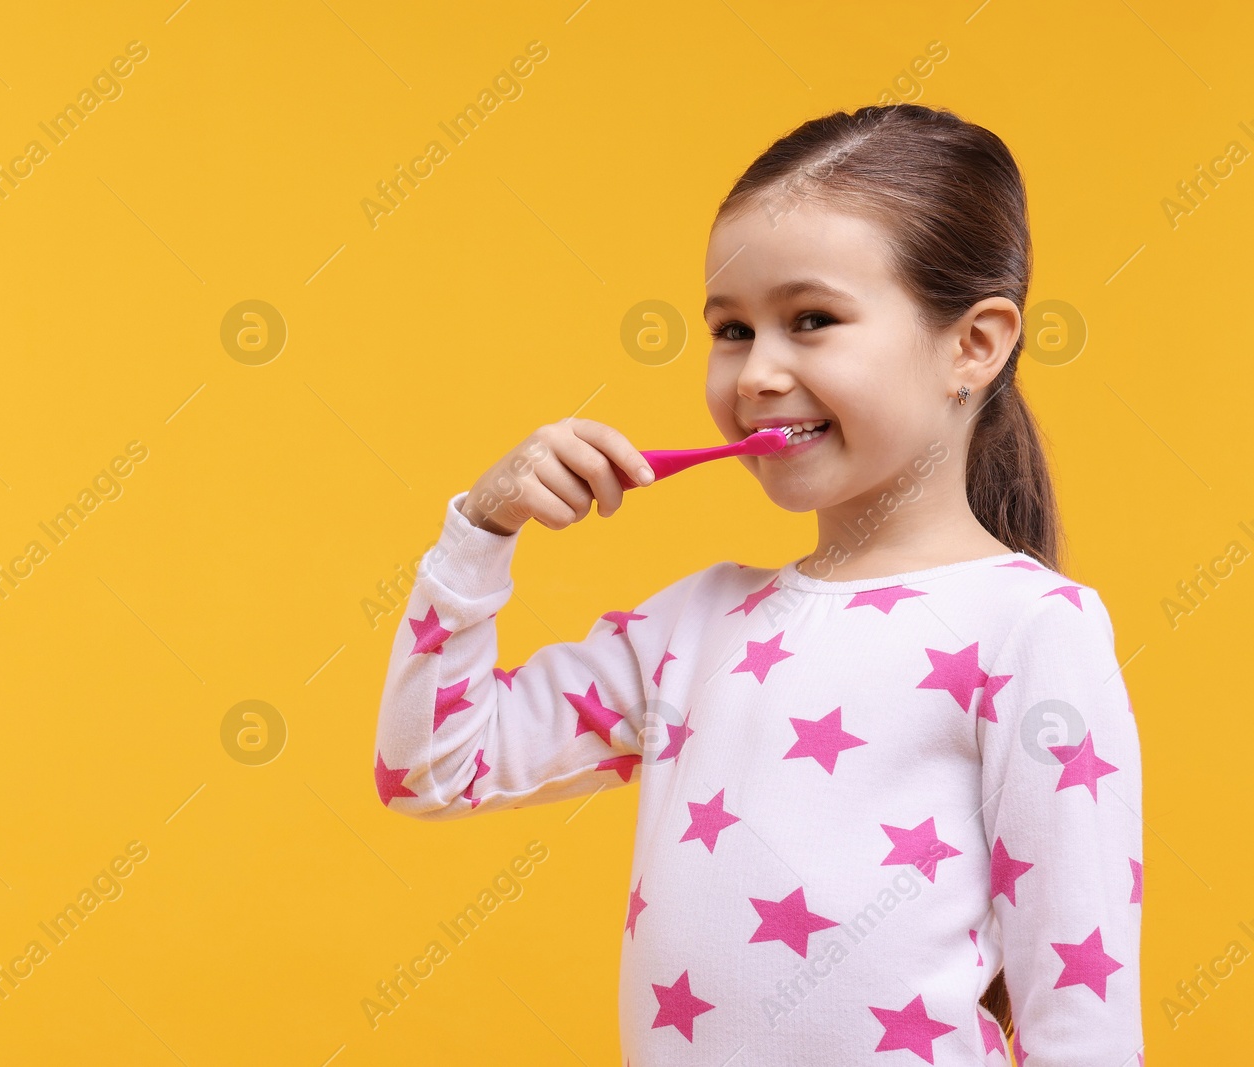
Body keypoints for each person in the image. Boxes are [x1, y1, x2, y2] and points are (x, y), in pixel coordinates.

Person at [372, 103, 1142, 1066]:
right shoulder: (690, 626)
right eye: (732, 329)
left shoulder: (1032, 628)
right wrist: (481, 529)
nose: (758, 373)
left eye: (810, 320)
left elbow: (1083, 1017)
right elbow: (431, 768)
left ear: (974, 345)